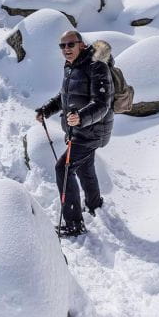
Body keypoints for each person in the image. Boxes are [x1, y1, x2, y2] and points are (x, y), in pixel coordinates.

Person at [35, 30, 114, 237]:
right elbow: (65, 95)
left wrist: (81, 117)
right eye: (62, 46)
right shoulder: (71, 66)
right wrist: (46, 110)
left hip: (93, 130)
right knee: (84, 167)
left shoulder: (97, 66)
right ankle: (95, 204)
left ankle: (74, 224)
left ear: (81, 44)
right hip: (78, 130)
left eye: (70, 44)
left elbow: (102, 104)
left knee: (64, 168)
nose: (66, 49)